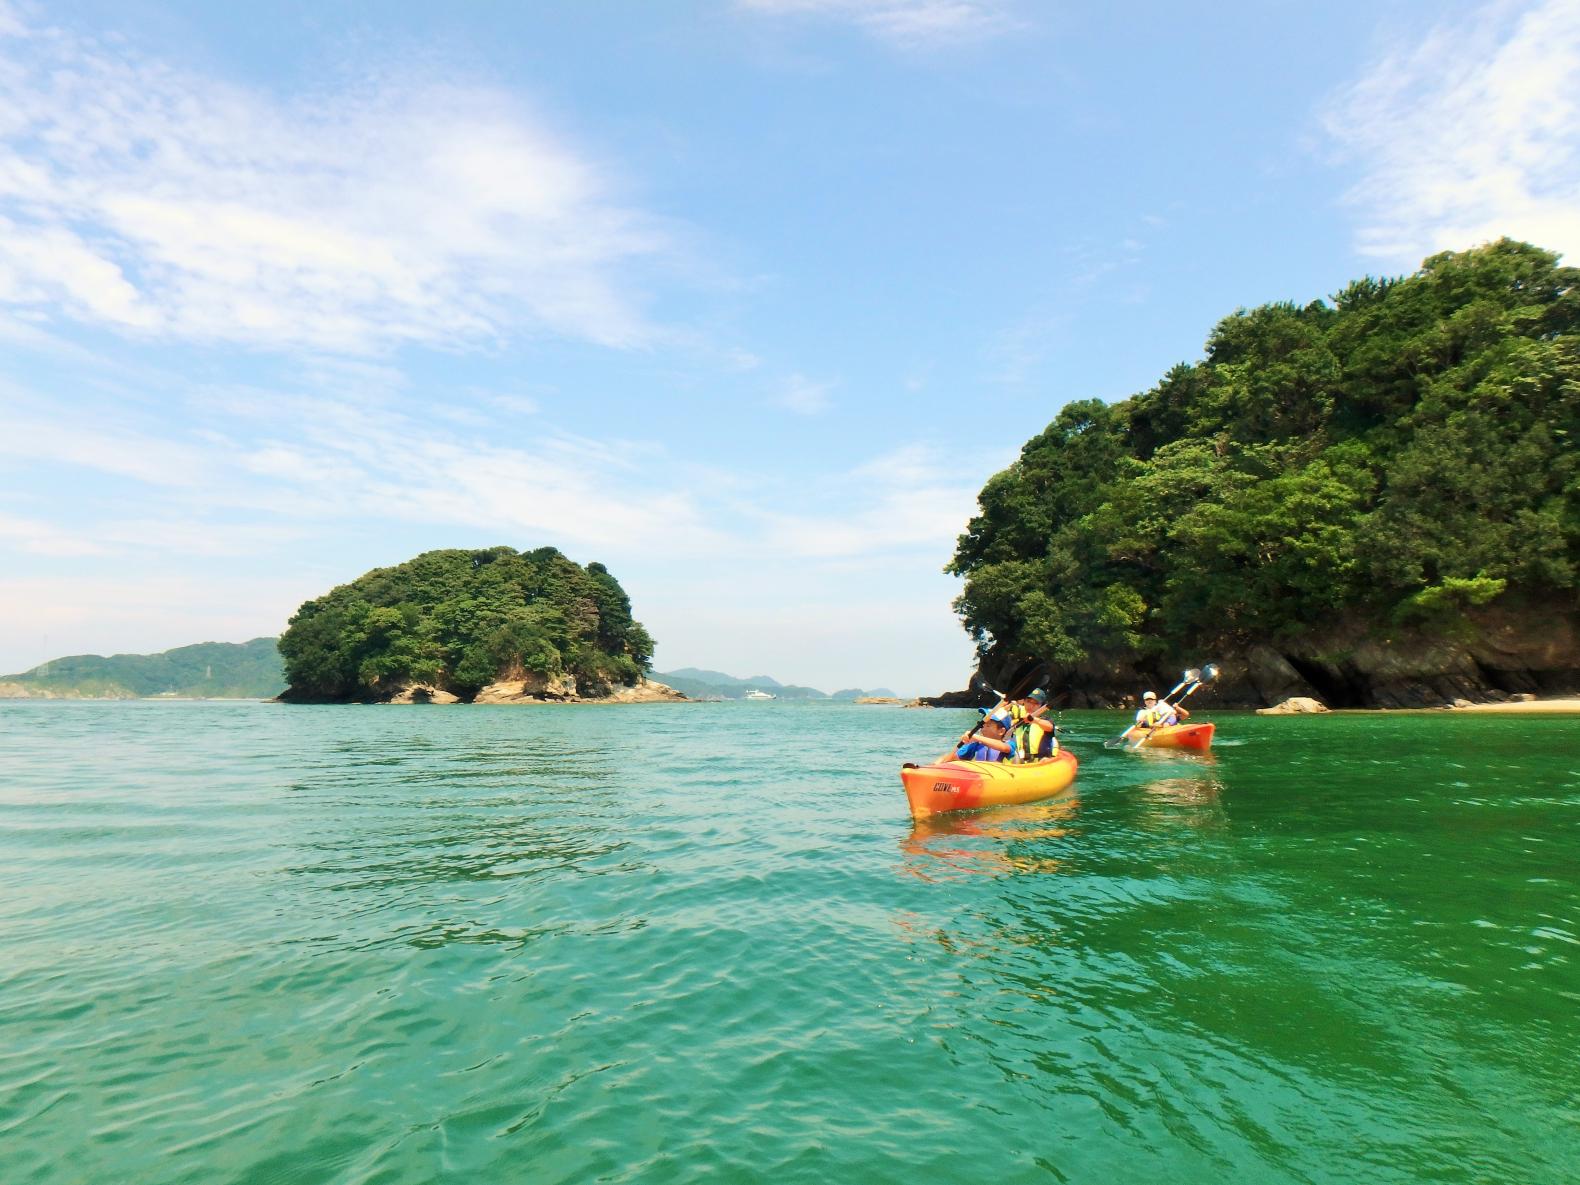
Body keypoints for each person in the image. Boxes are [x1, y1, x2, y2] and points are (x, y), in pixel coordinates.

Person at [1008, 688, 1058, 761]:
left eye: (1036, 703)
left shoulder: (1045, 720)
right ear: (1024, 702)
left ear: (1041, 706)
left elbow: (1050, 727)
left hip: (1040, 763)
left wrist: (1034, 720)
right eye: (1028, 701)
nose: (1031, 705)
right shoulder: (1017, 722)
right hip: (1020, 763)